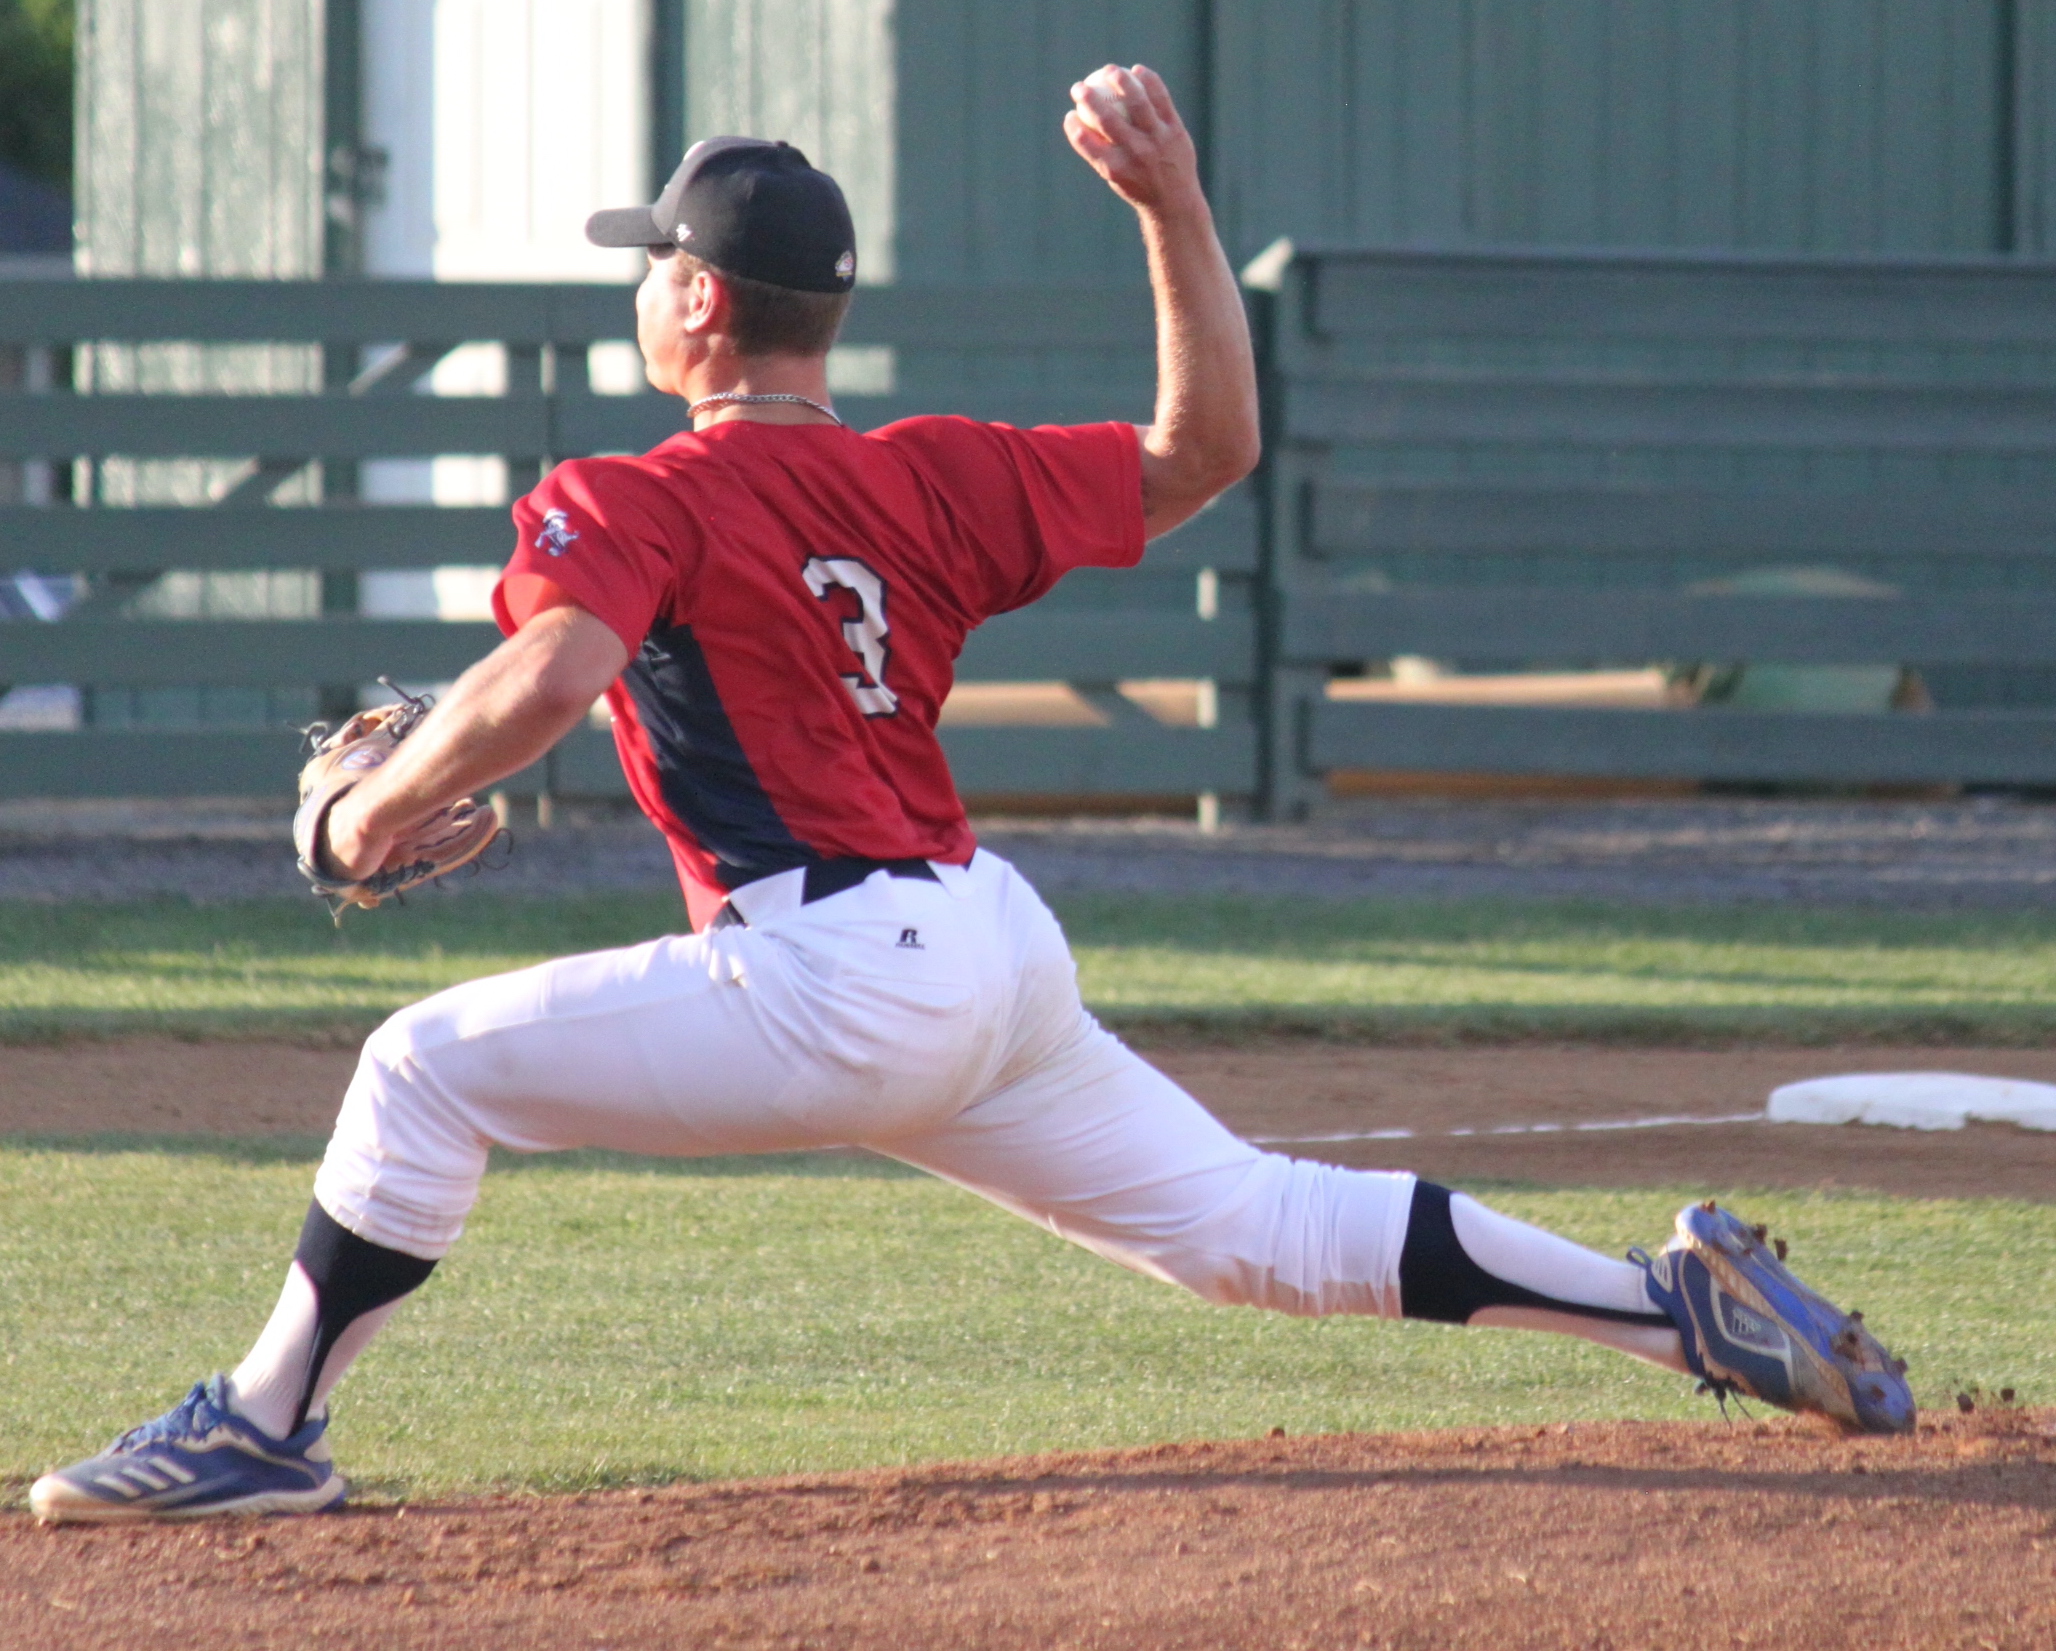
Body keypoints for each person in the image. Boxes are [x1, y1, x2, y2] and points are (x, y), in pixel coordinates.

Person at [32, 65, 1912, 1524]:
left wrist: (368, 816)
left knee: (417, 1070)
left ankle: (264, 1429)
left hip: (835, 981)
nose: (641, 288)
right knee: (1250, 1227)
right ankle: (1671, 1308)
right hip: (986, 950)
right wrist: (1175, 208)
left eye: (650, 263)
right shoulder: (928, 476)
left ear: (699, 299)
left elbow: (550, 677)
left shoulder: (634, 491)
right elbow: (1207, 450)